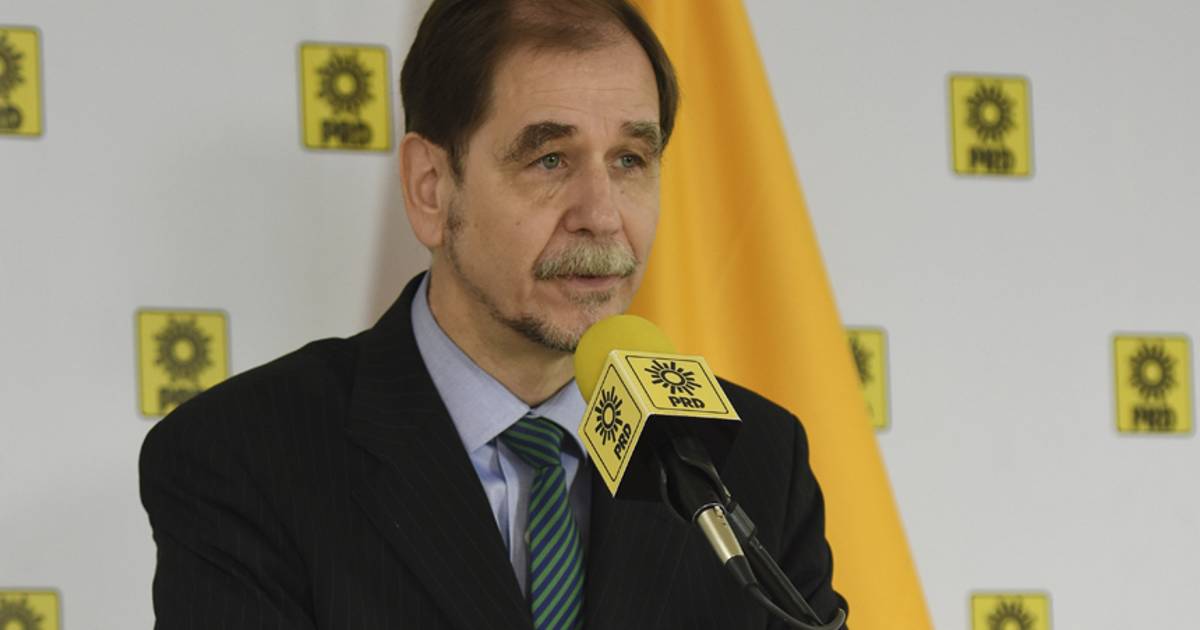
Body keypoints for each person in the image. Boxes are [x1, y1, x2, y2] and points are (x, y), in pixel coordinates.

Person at [139, 1, 848, 628]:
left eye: (631, 160)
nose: (602, 216)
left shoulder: (753, 458)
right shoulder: (245, 457)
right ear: (430, 187)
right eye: (550, 159)